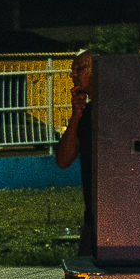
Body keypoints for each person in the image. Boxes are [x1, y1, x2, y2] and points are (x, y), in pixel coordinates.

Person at [52, 49, 98, 253]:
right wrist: (76, 115)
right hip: (93, 217)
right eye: (72, 70)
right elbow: (63, 160)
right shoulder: (85, 116)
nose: (73, 75)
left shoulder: (120, 112)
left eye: (80, 68)